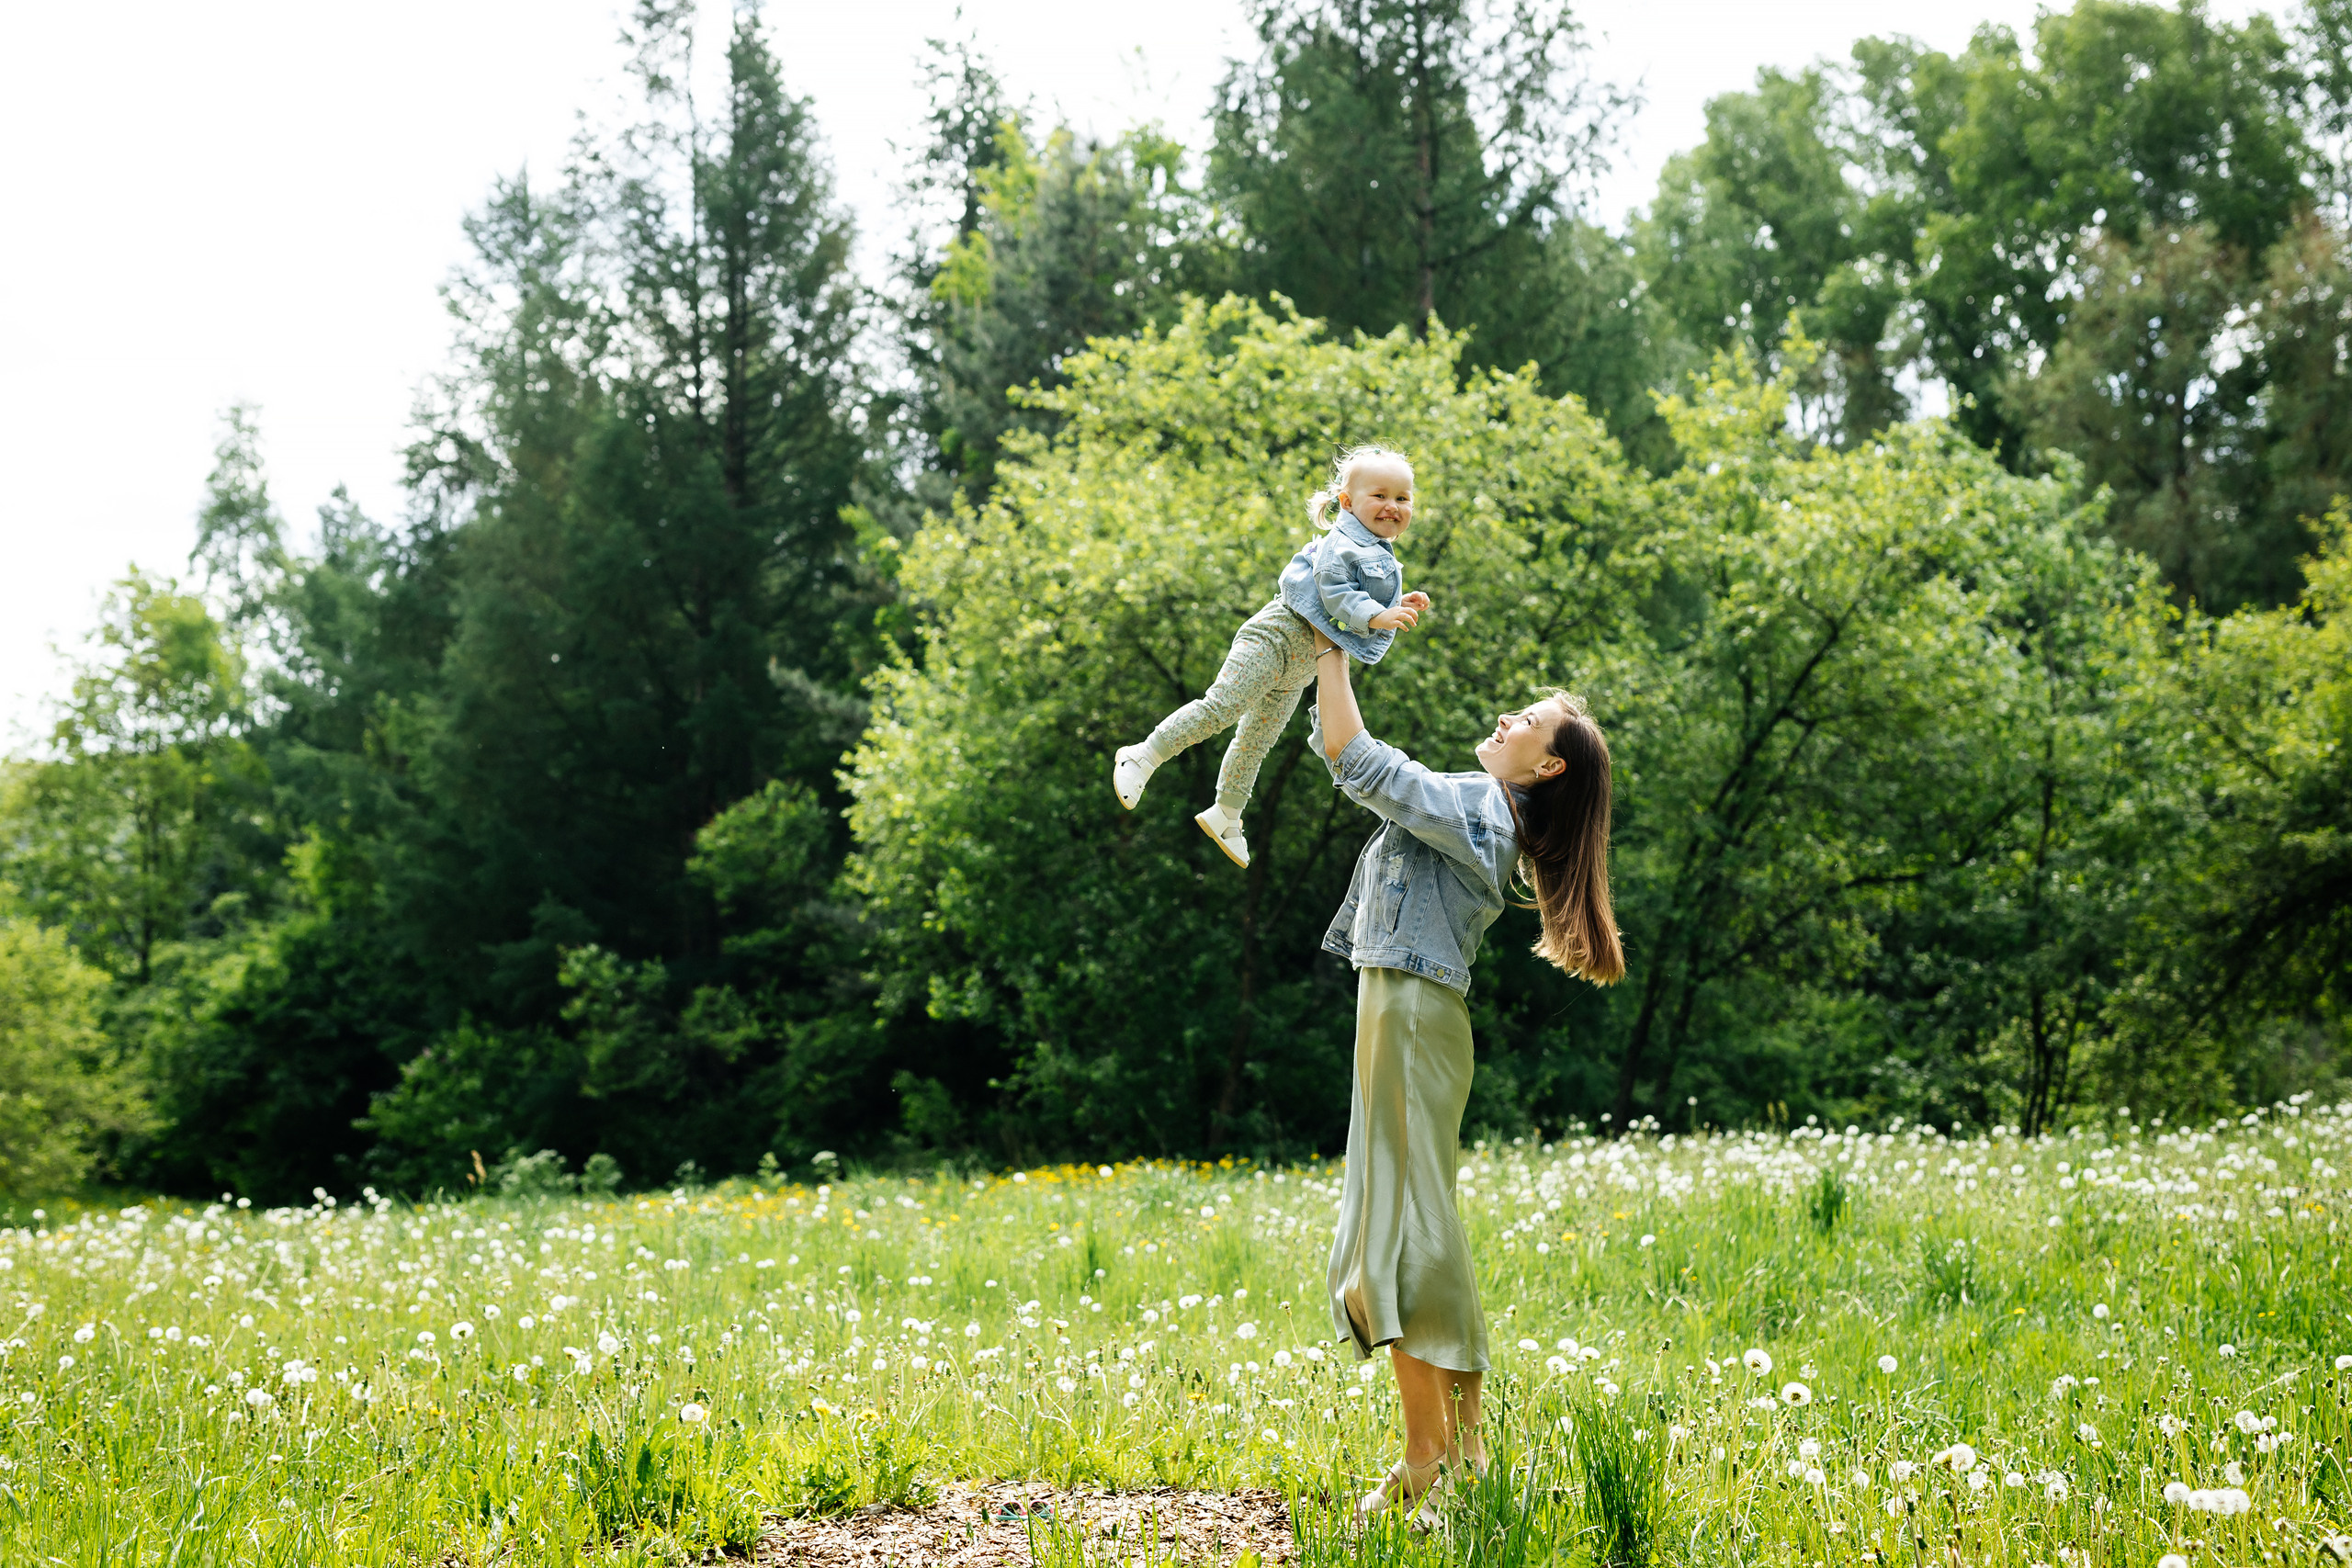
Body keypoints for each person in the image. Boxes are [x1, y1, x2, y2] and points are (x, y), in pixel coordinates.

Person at [1306, 619, 1624, 1529]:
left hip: (1408, 1012)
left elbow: (1357, 758)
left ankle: (1427, 1459)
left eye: (1528, 719)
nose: (1506, 717)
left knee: (1401, 1234)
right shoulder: (1481, 807)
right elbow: (1348, 751)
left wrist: (1330, 644)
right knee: (1414, 1224)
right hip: (1402, 1008)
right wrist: (1332, 650)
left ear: (1548, 765)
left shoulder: (1484, 810)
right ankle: (1464, 1453)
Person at [1111, 446, 1430, 869]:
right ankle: (1143, 755)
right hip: (1275, 638)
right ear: (1347, 503)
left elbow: (1359, 593)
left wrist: (1396, 604)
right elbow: (1334, 591)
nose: (1392, 506)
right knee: (1222, 707)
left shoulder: (1376, 549)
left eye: (1403, 498)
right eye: (1380, 496)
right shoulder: (1343, 541)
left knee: (1257, 740)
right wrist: (1377, 616)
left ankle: (1227, 813)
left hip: (1300, 666)